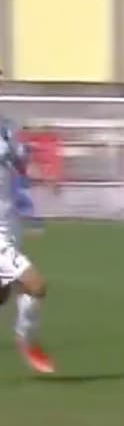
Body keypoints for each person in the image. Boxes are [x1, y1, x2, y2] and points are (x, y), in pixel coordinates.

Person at [0, 117, 53, 373]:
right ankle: (27, 339)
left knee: (2, 295)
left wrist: (37, 170)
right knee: (35, 284)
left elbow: (21, 166)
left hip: (10, 224)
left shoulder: (7, 128)